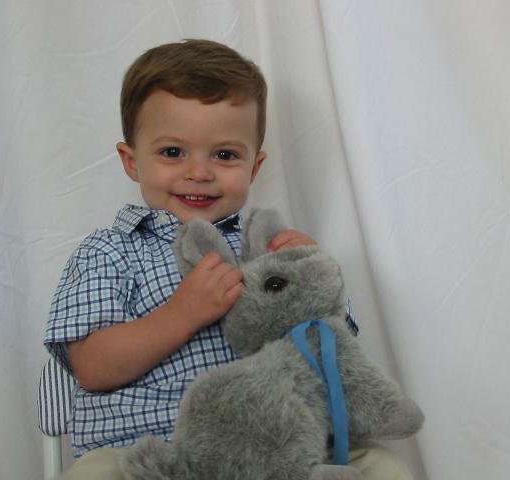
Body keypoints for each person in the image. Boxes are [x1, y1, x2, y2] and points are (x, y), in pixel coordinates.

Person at [44, 39, 414, 480]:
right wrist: (181, 315)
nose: (199, 173)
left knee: (382, 466)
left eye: (224, 155)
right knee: (93, 473)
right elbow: (92, 367)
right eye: (172, 152)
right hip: (153, 454)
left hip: (281, 450)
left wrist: (312, 281)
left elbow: (336, 349)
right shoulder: (110, 251)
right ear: (132, 161)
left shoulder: (271, 248)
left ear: (254, 167)